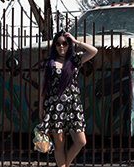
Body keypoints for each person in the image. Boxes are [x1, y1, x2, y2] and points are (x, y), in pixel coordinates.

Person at [38, 31, 98, 167]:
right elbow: (43, 88)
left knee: (81, 141)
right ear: (55, 45)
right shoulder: (49, 63)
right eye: (58, 43)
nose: (61, 46)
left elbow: (94, 51)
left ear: (68, 45)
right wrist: (41, 108)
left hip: (73, 106)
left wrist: (76, 42)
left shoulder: (75, 60)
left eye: (64, 43)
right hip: (54, 106)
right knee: (59, 143)